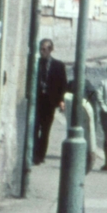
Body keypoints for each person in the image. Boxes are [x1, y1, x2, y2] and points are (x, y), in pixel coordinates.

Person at [32, 38, 68, 166]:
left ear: (51, 50)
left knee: (45, 130)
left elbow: (63, 84)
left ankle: (41, 155)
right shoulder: (36, 63)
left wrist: (61, 100)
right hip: (37, 102)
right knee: (35, 128)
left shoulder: (58, 65)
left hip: (49, 103)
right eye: (40, 49)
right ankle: (35, 155)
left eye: (44, 49)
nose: (42, 52)